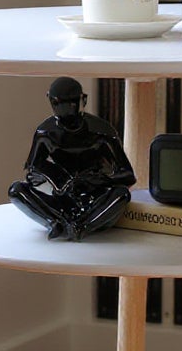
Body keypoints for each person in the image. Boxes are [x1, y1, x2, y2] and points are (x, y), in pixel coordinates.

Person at [9, 76, 136, 240]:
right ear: (50, 101)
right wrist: (42, 177)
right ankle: (55, 222)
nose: (65, 112)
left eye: (71, 105)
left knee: (121, 194)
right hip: (61, 199)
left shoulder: (102, 132)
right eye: (58, 105)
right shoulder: (45, 133)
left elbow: (128, 175)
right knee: (16, 190)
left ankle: (81, 225)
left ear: (83, 100)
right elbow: (33, 171)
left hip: (94, 199)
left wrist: (99, 180)